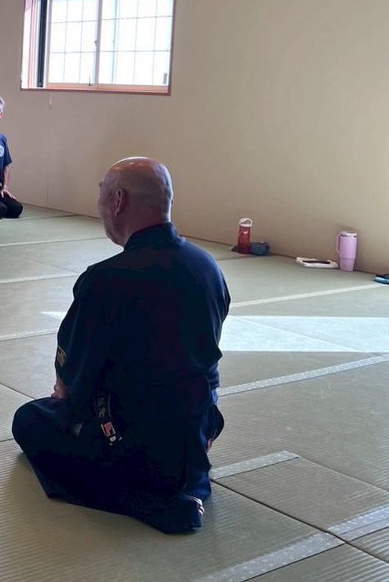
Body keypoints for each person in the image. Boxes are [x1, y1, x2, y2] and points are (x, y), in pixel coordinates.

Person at [12, 158, 230, 534]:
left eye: (100, 193)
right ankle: (182, 485)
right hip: (196, 436)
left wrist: (67, 393)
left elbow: (72, 388)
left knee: (29, 420)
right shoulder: (207, 267)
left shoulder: (105, 281)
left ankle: (151, 500)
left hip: (131, 445)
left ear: (117, 201)